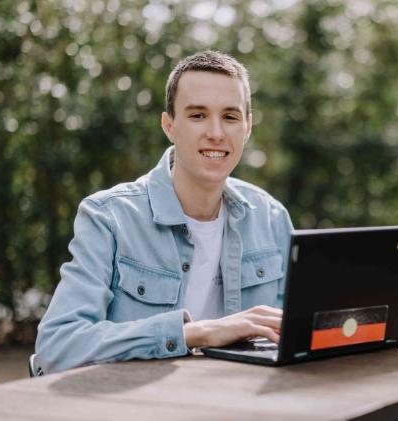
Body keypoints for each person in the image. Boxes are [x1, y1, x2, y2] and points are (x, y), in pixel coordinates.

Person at [34, 50, 294, 374]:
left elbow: (293, 337)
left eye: (230, 116)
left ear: (247, 128)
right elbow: (57, 347)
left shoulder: (271, 218)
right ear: (169, 125)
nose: (216, 132)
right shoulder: (109, 217)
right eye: (198, 115)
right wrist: (195, 333)